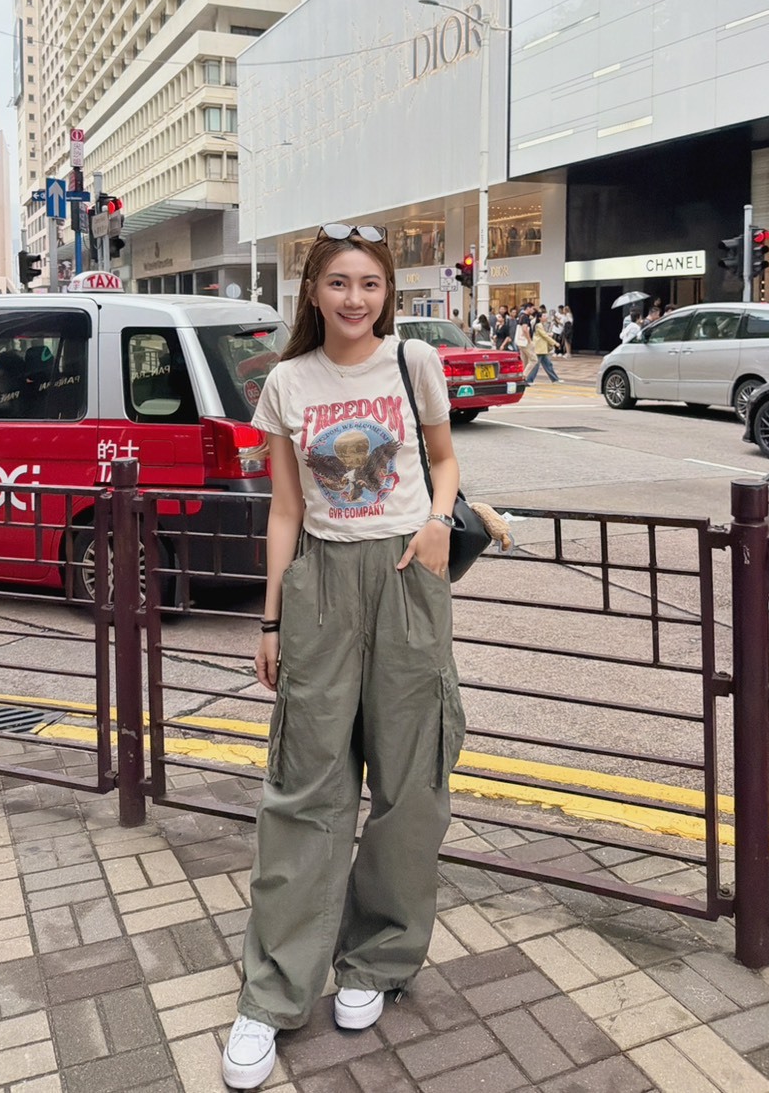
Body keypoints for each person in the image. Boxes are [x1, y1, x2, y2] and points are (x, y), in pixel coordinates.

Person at [222, 223, 465, 1089]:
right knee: (304, 789)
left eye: (369, 283)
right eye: (338, 282)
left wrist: (436, 522)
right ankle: (271, 993)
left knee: (410, 783)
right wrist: (271, 620)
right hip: (321, 581)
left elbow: (445, 460)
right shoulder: (287, 381)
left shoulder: (414, 361)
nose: (354, 298)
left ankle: (377, 959)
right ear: (313, 291)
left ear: (386, 291)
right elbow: (286, 508)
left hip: (406, 576)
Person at [524, 319, 560, 384]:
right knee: (536, 365)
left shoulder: (540, 324)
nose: (546, 317)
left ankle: (555, 379)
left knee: (548, 365)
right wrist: (554, 343)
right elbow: (544, 336)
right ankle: (529, 380)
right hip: (539, 348)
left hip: (542, 348)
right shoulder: (538, 325)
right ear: (540, 318)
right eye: (544, 316)